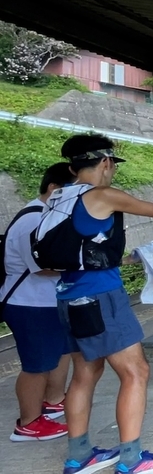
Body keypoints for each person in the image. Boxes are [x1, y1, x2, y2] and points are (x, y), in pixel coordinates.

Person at [51, 134, 153, 474]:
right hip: (101, 297)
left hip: (68, 295)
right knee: (136, 371)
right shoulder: (102, 195)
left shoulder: (59, 198)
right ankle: (132, 460)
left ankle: (79, 456)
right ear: (104, 162)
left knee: (85, 373)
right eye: (112, 164)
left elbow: (80, 248)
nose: (112, 170)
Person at [2, 162, 74, 443]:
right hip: (28, 304)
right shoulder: (33, 219)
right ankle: (28, 423)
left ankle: (54, 401)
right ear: (54, 189)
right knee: (37, 365)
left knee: (59, 353)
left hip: (46, 301)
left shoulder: (49, 216)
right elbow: (41, 267)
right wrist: (86, 266)